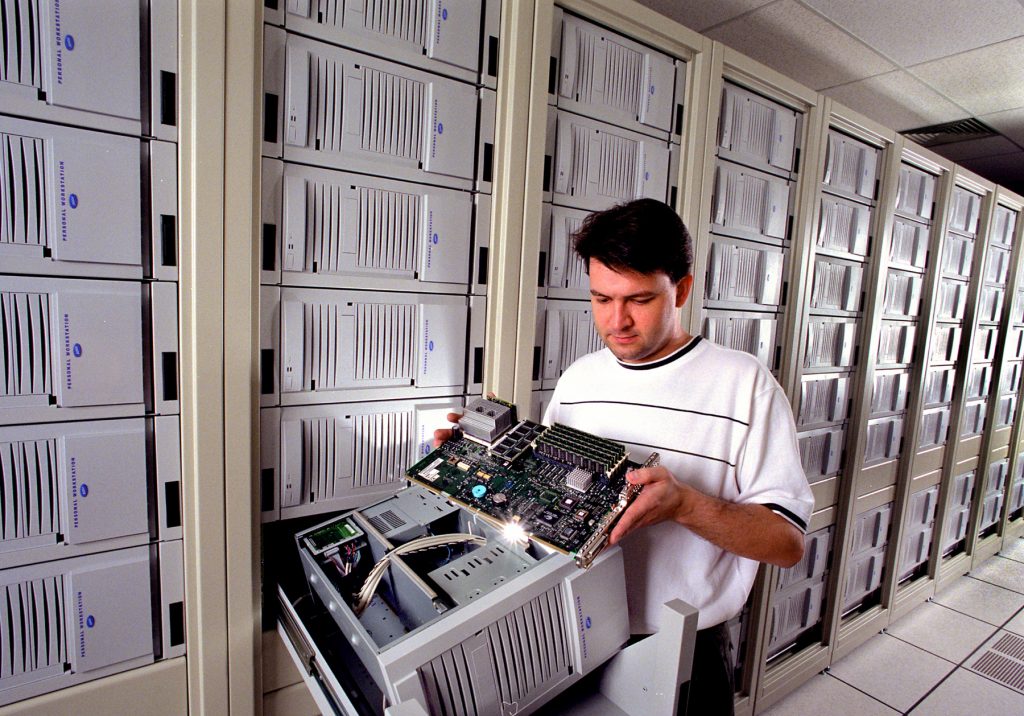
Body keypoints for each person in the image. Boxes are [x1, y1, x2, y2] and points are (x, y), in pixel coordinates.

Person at [436, 198, 813, 715]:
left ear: (681, 288)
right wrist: (475, 462)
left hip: (683, 648)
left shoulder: (745, 386)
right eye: (600, 298)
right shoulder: (579, 380)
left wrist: (685, 505)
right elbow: (540, 502)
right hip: (571, 631)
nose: (617, 321)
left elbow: (786, 542)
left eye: (639, 299)